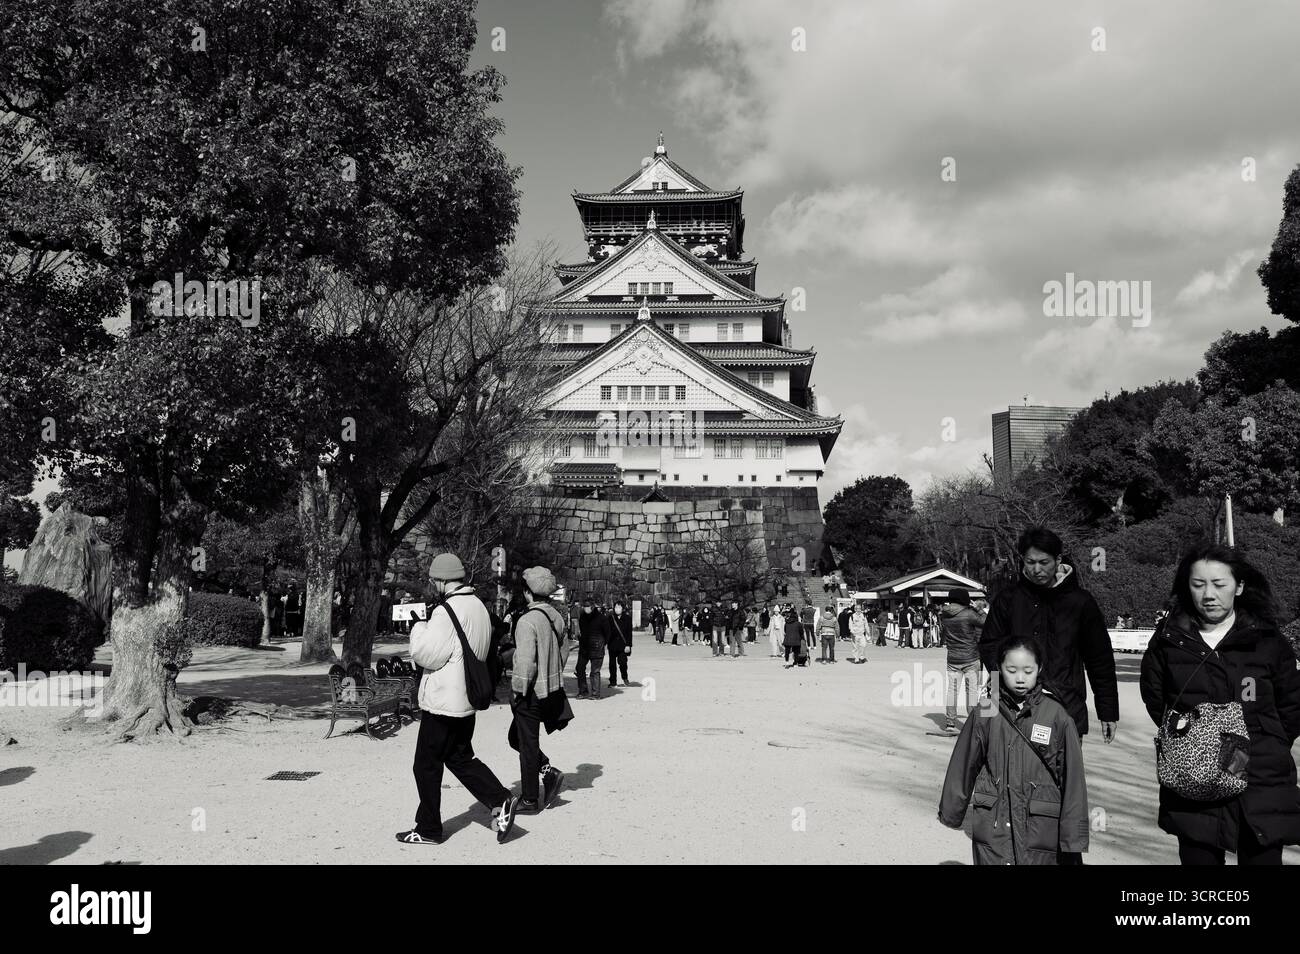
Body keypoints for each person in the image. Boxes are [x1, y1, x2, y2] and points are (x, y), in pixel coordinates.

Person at [1139, 543, 1300, 866]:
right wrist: (1193, 739)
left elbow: (1292, 705)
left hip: (1261, 779)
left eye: (1219, 584)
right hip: (1193, 780)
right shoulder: (1169, 641)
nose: (1208, 594)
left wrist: (1268, 740)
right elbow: (1157, 700)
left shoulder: (1267, 640)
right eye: (1198, 585)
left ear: (1239, 586)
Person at [397, 552, 520, 847]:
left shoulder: (446, 611)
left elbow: (428, 654)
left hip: (444, 701)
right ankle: (501, 798)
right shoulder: (477, 605)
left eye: (432, 580)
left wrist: (417, 628)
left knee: (425, 765)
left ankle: (428, 829)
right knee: (460, 757)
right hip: (466, 697)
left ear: (440, 581)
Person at [938, 635, 1089, 865]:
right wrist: (952, 810)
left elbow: (1073, 780)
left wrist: (1072, 835)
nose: (1020, 678)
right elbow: (964, 762)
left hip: (1040, 826)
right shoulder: (986, 710)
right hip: (994, 824)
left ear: (1040, 669)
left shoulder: (1056, 716)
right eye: (1011, 670)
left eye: (1028, 671)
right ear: (999, 668)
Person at [978, 525, 1119, 745]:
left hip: (1065, 706)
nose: (1036, 569)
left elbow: (1099, 659)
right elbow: (989, 646)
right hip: (1014, 707)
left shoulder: (1081, 603)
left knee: (1063, 777)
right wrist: (1005, 683)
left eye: (1044, 562)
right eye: (1030, 562)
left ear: (1058, 560)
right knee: (1011, 775)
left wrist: (1108, 710)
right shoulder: (1008, 599)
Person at [507, 566, 570, 816]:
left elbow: (525, 663)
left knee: (527, 743)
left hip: (530, 690)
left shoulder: (527, 621)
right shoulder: (557, 617)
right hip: (550, 688)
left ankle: (530, 799)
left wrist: (517, 689)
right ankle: (548, 771)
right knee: (517, 739)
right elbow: (563, 653)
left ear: (528, 593)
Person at [939, 588, 983, 734]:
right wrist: (979, 609)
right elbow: (986, 623)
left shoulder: (944, 614)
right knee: (971, 691)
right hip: (971, 657)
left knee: (952, 691)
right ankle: (971, 724)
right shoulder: (969, 614)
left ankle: (950, 723)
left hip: (952, 658)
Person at [575, 597, 607, 699]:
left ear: (592, 607)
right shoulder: (583, 617)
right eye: (584, 606)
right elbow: (582, 631)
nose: (585, 608)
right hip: (584, 648)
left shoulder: (601, 618)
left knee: (595, 671)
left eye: (587, 606)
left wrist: (603, 644)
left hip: (597, 647)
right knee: (579, 668)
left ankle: (595, 693)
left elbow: (608, 633)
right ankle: (583, 691)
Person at [608, 601, 632, 686]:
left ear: (623, 608)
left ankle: (625, 677)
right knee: (612, 665)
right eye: (616, 607)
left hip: (623, 645)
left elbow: (629, 633)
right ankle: (613, 681)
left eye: (619, 607)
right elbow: (606, 631)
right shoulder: (610, 618)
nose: (617, 609)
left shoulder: (627, 618)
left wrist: (628, 645)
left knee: (623, 663)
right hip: (612, 644)